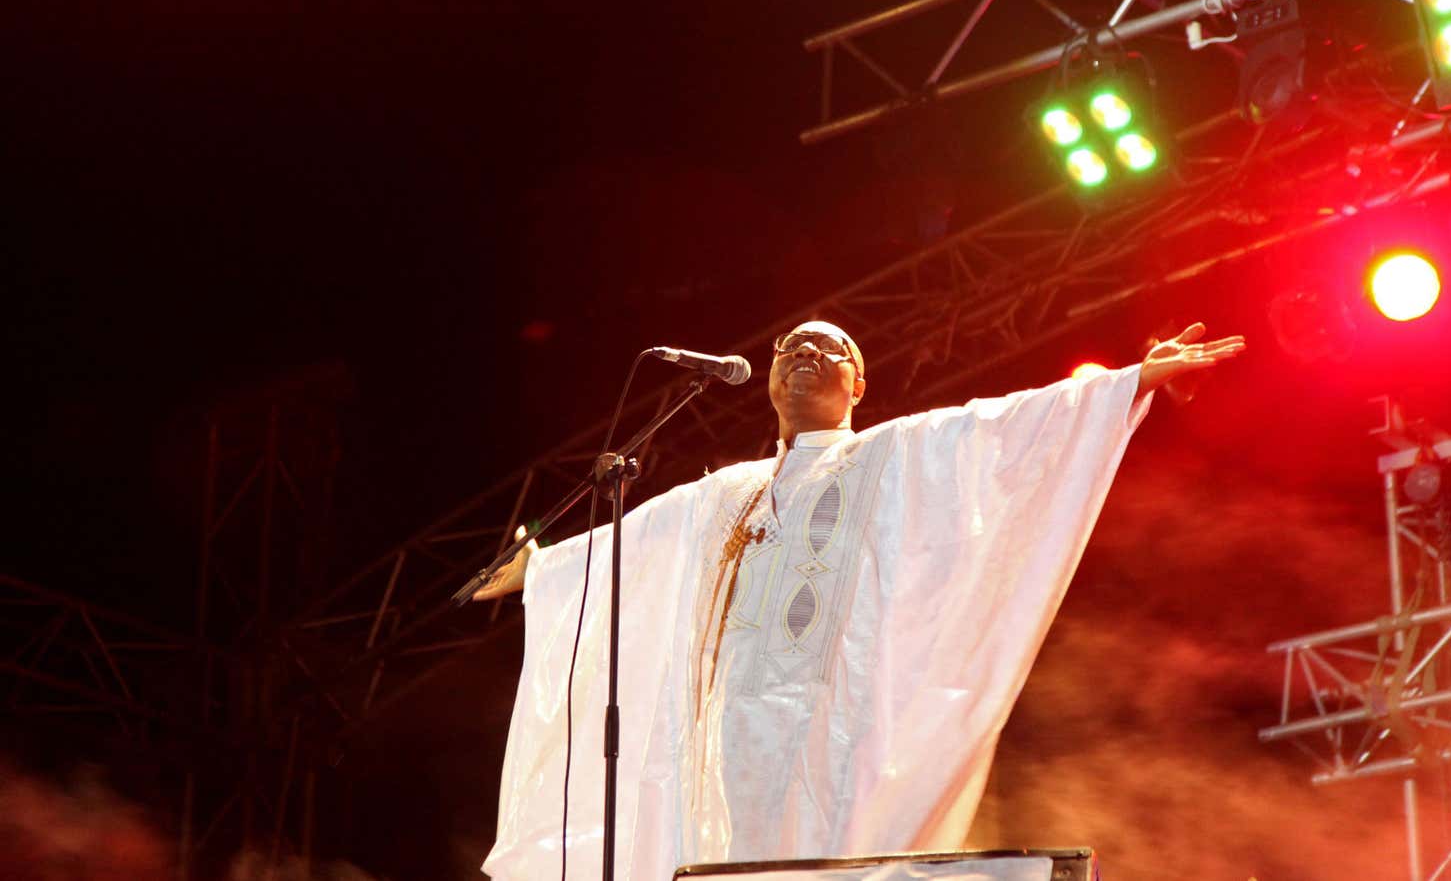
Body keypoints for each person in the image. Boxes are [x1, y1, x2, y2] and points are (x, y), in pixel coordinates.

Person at [473, 320, 1244, 880]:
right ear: (769, 378)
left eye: (828, 350)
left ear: (859, 384)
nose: (805, 357)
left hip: (829, 733)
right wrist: (541, 571)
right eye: (789, 350)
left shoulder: (891, 454)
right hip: (719, 746)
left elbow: (998, 433)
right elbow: (629, 549)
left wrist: (1130, 381)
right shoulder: (722, 496)